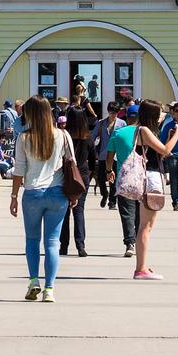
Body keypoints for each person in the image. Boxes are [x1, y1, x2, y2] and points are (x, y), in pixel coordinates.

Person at [10, 96, 72, 302]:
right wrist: (74, 194)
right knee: (53, 243)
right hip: (57, 193)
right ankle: (50, 289)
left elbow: (19, 169)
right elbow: (71, 163)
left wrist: (13, 196)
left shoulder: (24, 138)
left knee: (32, 240)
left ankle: (34, 281)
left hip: (33, 193)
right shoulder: (62, 135)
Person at [129, 100, 178, 280]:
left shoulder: (148, 131)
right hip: (150, 178)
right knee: (145, 226)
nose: (163, 114)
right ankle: (140, 269)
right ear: (152, 114)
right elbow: (166, 151)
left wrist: (169, 136)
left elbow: (158, 153)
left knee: (147, 225)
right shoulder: (144, 130)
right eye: (160, 112)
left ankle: (142, 265)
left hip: (151, 176)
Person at [59, 90, 98, 257]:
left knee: (64, 212)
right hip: (82, 175)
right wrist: (88, 173)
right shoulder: (88, 138)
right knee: (79, 211)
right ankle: (81, 246)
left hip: (65, 175)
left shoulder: (63, 136)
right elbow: (93, 160)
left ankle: (63, 246)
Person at [105, 104, 140, 257]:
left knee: (127, 213)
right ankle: (140, 241)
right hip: (142, 179)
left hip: (124, 177)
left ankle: (130, 243)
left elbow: (109, 156)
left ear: (127, 116)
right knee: (140, 213)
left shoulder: (118, 133)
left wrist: (108, 171)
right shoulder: (146, 133)